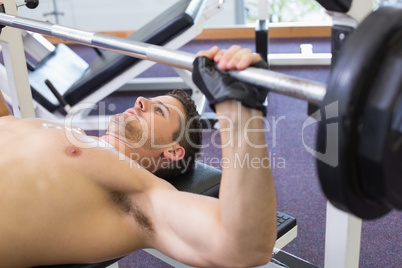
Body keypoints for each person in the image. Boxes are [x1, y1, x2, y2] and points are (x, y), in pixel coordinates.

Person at [0, 45, 277, 267]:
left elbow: (243, 247)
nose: (140, 101)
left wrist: (237, 111)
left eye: (159, 111)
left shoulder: (137, 194)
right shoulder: (69, 134)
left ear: (171, 151)